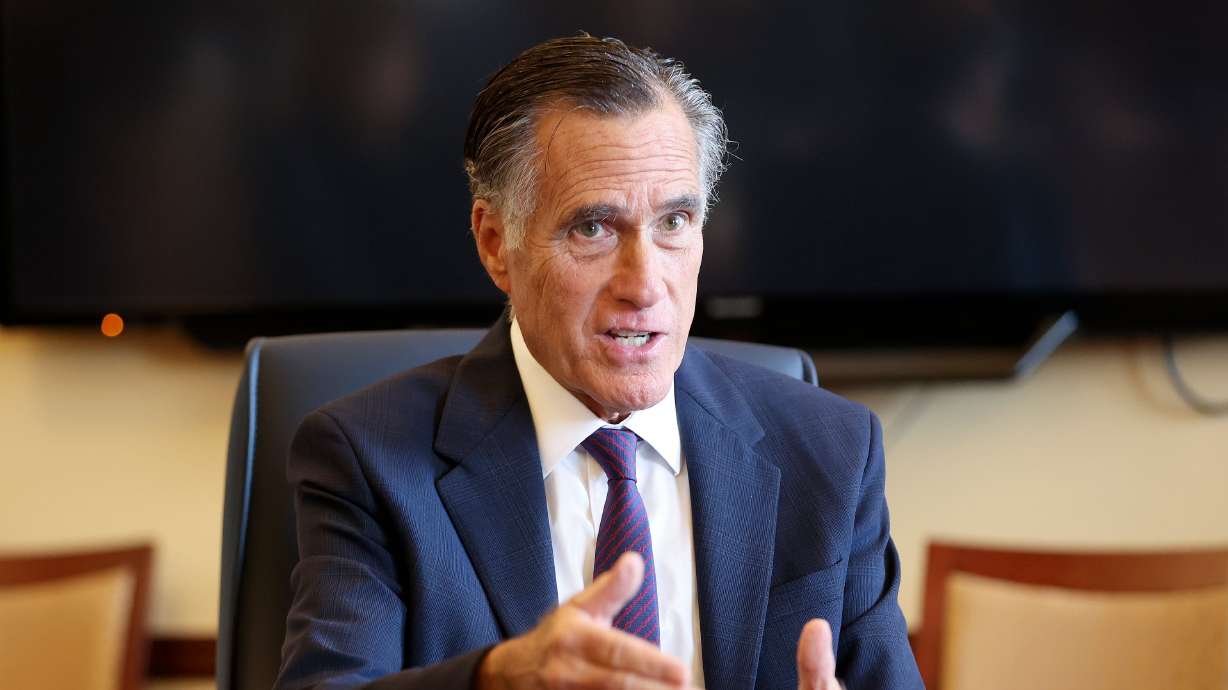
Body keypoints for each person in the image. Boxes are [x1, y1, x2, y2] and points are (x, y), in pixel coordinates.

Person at [276, 35, 923, 690]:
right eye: (594, 228)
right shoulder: (370, 461)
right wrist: (498, 680)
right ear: (497, 244)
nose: (643, 284)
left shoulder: (831, 453)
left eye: (674, 222)